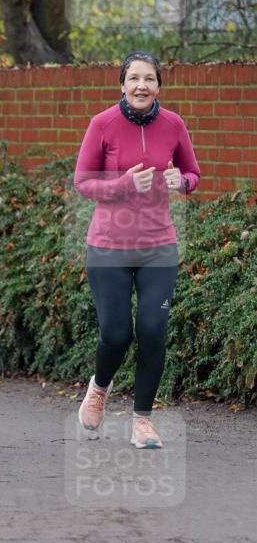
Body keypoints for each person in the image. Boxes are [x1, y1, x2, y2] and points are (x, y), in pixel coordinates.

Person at [74, 51, 201, 448]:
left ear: (158, 86)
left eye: (149, 79)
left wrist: (183, 182)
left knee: (152, 330)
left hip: (158, 247)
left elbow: (193, 172)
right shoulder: (102, 124)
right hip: (108, 246)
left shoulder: (174, 124)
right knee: (116, 334)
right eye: (134, 78)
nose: (142, 86)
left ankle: (142, 420)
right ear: (122, 85)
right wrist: (124, 184)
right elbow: (83, 182)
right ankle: (99, 387)